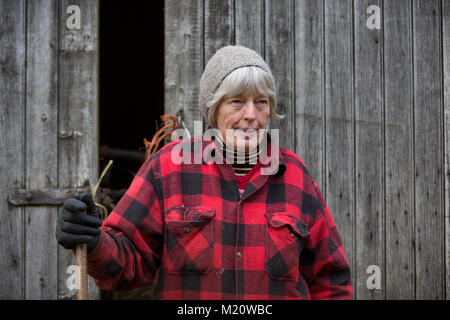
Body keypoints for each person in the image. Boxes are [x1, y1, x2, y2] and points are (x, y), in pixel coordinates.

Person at [56, 45, 352, 299]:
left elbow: (331, 280)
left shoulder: (294, 176)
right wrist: (93, 242)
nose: (251, 114)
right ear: (214, 108)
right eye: (237, 101)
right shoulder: (169, 168)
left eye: (261, 102)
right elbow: (126, 264)